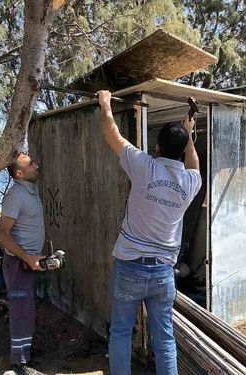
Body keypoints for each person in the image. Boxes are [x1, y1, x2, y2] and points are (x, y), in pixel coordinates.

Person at [97, 90, 202, 375]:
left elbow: (112, 134)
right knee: (164, 339)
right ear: (181, 150)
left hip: (130, 267)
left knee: (120, 333)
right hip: (162, 275)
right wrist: (189, 134)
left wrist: (105, 102)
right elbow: (194, 164)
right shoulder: (191, 182)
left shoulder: (143, 166)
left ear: (156, 146)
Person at [0, 153, 46, 375]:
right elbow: (2, 235)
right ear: (19, 173)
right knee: (20, 310)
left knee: (27, 308)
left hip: (28, 263)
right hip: (18, 264)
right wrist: (28, 258)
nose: (36, 165)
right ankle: (19, 364)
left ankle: (24, 351)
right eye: (31, 164)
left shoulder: (29, 191)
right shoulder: (15, 196)